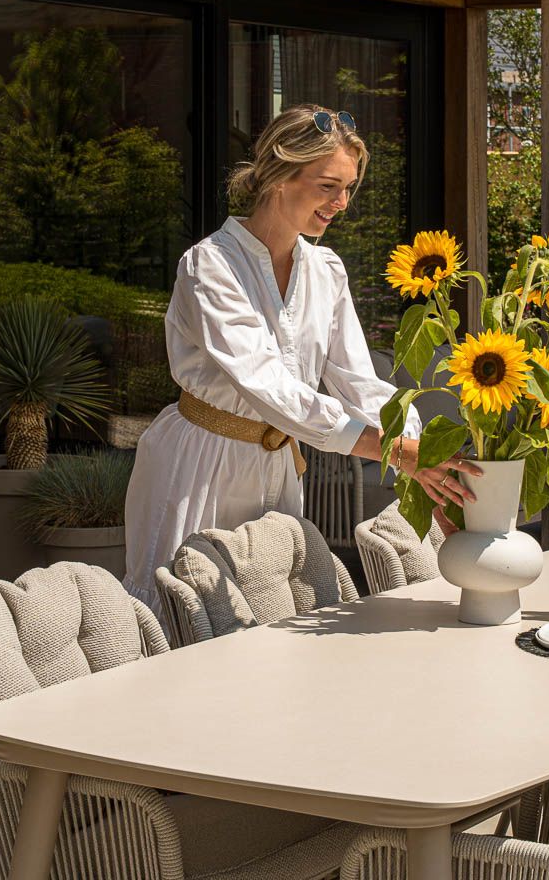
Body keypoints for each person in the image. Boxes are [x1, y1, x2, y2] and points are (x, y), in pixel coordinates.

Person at [123, 104, 478, 612]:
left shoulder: (326, 270)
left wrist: (421, 461)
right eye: (328, 186)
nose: (342, 203)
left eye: (349, 188)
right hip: (201, 467)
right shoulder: (211, 266)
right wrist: (395, 452)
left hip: (280, 465)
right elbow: (268, 386)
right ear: (278, 175)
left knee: (270, 613)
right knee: (189, 613)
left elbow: (360, 382)